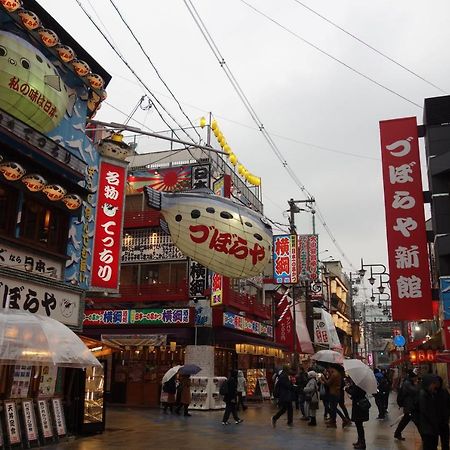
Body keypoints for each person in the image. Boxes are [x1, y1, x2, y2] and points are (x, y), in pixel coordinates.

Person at [394, 369, 420, 441]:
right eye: (416, 377)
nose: (417, 378)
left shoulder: (409, 382)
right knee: (417, 422)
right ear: (413, 377)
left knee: (405, 421)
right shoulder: (408, 383)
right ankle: (424, 436)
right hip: (409, 406)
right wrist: (417, 385)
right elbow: (415, 391)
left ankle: (397, 433)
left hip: (410, 405)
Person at [417, 374, 440, 450]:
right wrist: (434, 422)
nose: (435, 386)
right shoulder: (423, 395)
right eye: (433, 384)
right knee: (429, 446)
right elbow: (426, 411)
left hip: (431, 428)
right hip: (428, 429)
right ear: (428, 384)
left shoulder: (430, 393)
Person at [346, 378, 369, 449]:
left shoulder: (358, 384)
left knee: (359, 425)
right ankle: (360, 441)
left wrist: (347, 389)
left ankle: (362, 443)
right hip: (359, 405)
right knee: (359, 425)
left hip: (359, 406)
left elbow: (354, 393)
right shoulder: (362, 384)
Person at [436, 376, 450, 450]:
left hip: (444, 421)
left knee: (445, 441)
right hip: (435, 422)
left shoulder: (444, 391)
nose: (437, 384)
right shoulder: (431, 393)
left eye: (438, 382)